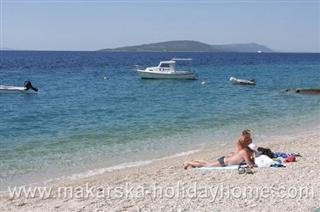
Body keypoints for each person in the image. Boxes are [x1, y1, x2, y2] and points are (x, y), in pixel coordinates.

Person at [184, 144, 256, 169]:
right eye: (253, 151)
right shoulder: (245, 152)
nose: (252, 152)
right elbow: (249, 164)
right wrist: (253, 160)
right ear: (250, 150)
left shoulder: (243, 150)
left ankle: (194, 162)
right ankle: (188, 162)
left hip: (225, 160)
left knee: (208, 163)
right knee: (206, 165)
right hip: (224, 162)